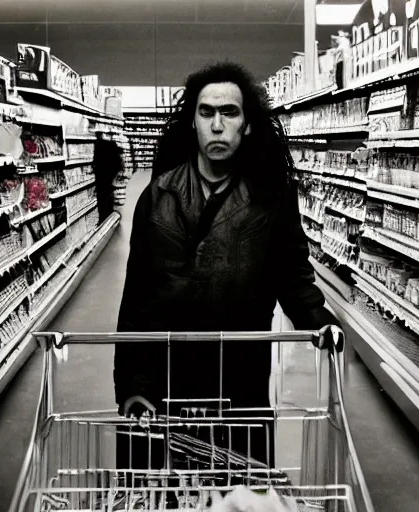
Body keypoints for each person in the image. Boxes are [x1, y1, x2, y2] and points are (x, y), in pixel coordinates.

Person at [114, 61, 343, 474]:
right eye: (206, 112)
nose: (217, 125)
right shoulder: (158, 195)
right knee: (170, 492)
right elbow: (137, 296)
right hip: (169, 377)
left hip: (241, 377)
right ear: (192, 123)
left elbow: (293, 273)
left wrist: (317, 318)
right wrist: (132, 383)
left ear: (248, 124)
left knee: (242, 489)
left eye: (229, 112)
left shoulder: (270, 197)